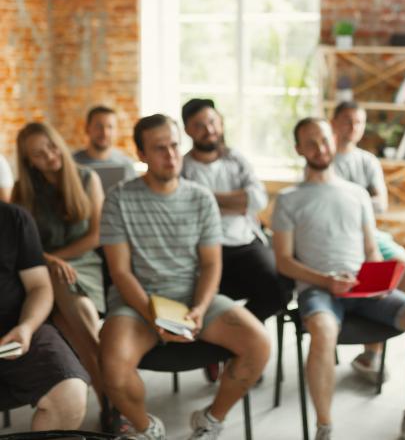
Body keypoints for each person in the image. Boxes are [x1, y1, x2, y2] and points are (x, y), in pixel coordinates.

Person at [100, 114, 270, 440]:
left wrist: (201, 309)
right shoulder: (119, 199)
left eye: (175, 145)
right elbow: (120, 272)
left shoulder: (200, 197)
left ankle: (210, 420)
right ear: (142, 155)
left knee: (259, 344)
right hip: (138, 303)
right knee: (112, 367)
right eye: (160, 148)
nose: (171, 155)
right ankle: (145, 427)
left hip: (192, 297)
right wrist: (153, 315)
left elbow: (210, 264)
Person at [272, 118, 405, 440]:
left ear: (333, 140)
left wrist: (378, 281)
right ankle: (325, 427)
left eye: (323, 140)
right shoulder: (288, 199)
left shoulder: (357, 194)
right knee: (323, 332)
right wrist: (326, 280)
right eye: (310, 143)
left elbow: (370, 249)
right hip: (318, 290)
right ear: (298, 149)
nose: (319, 148)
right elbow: (283, 261)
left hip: (363, 287)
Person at [12, 122, 106, 418]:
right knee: (78, 317)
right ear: (28, 160)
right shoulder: (22, 190)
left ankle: (105, 393)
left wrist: (58, 258)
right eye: (39, 154)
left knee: (77, 319)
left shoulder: (87, 178)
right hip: (41, 269)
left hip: (84, 265)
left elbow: (96, 236)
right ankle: (110, 395)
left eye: (52, 147)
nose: (50, 156)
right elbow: (18, 244)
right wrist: (49, 260)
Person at [330, 102, 405, 382]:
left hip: (372, 233)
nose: (353, 127)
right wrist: (361, 199)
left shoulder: (367, 160)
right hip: (339, 238)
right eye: (347, 121)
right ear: (334, 122)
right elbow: (327, 207)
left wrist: (352, 202)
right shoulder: (324, 158)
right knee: (367, 280)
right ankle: (366, 343)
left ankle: (373, 347)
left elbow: (381, 204)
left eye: (358, 122)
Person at [181, 98, 287, 322]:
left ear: (220, 123)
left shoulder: (236, 159)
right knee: (198, 297)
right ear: (187, 130)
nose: (208, 130)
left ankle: (235, 334)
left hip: (245, 244)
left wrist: (208, 197)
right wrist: (238, 201)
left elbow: (258, 200)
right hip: (204, 249)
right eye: (198, 125)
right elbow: (188, 209)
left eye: (212, 122)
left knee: (278, 290)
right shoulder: (183, 168)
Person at [0, 201, 89, 431]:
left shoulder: (14, 218)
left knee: (69, 394)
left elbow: (39, 286)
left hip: (15, 326)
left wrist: (27, 326)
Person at [74, 105, 136, 181]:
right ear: (87, 128)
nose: (105, 133)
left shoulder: (126, 164)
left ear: (116, 131)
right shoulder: (72, 163)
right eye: (98, 126)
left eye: (110, 127)